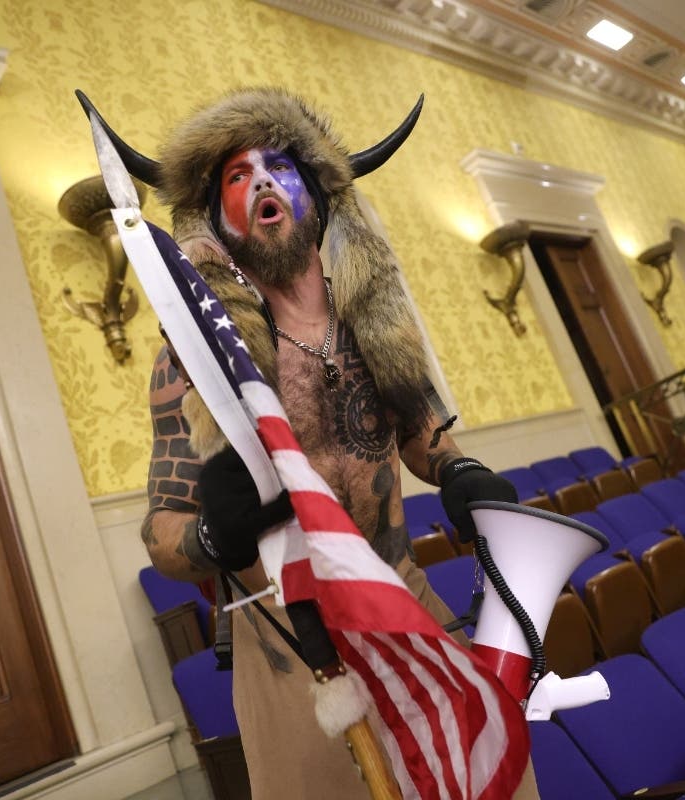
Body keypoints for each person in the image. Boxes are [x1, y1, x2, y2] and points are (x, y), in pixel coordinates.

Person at [113, 87, 536, 798]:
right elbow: (162, 531)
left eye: (278, 166)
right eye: (237, 176)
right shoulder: (196, 360)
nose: (261, 182)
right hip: (293, 651)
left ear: (316, 194)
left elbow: (422, 433)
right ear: (216, 219)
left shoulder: (374, 327)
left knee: (493, 779)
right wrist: (214, 538)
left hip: (406, 608)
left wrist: (460, 469)